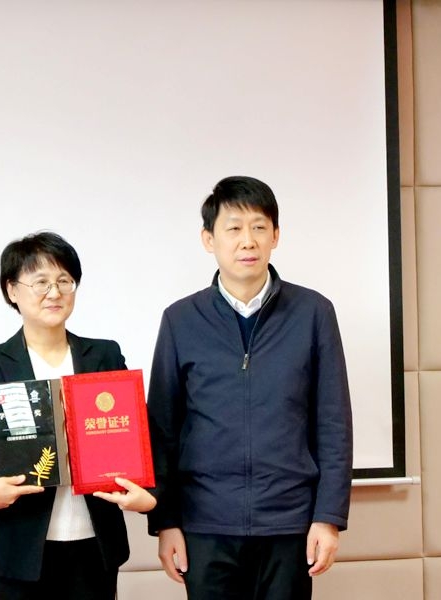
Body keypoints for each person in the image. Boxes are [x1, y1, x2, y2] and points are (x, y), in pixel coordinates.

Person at [146, 176, 353, 600]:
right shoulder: (181, 320)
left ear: (275, 236)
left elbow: (333, 423)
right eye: (234, 228)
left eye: (259, 227)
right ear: (209, 239)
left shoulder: (313, 313)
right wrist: (166, 522)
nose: (248, 241)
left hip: (289, 523)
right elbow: (162, 429)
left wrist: (328, 517)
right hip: (205, 524)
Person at [0, 231, 156, 600]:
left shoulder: (104, 356)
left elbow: (143, 437)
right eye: (41, 282)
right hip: (15, 553)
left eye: (65, 281)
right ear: (12, 290)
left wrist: (151, 496)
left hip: (94, 548)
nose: (55, 292)